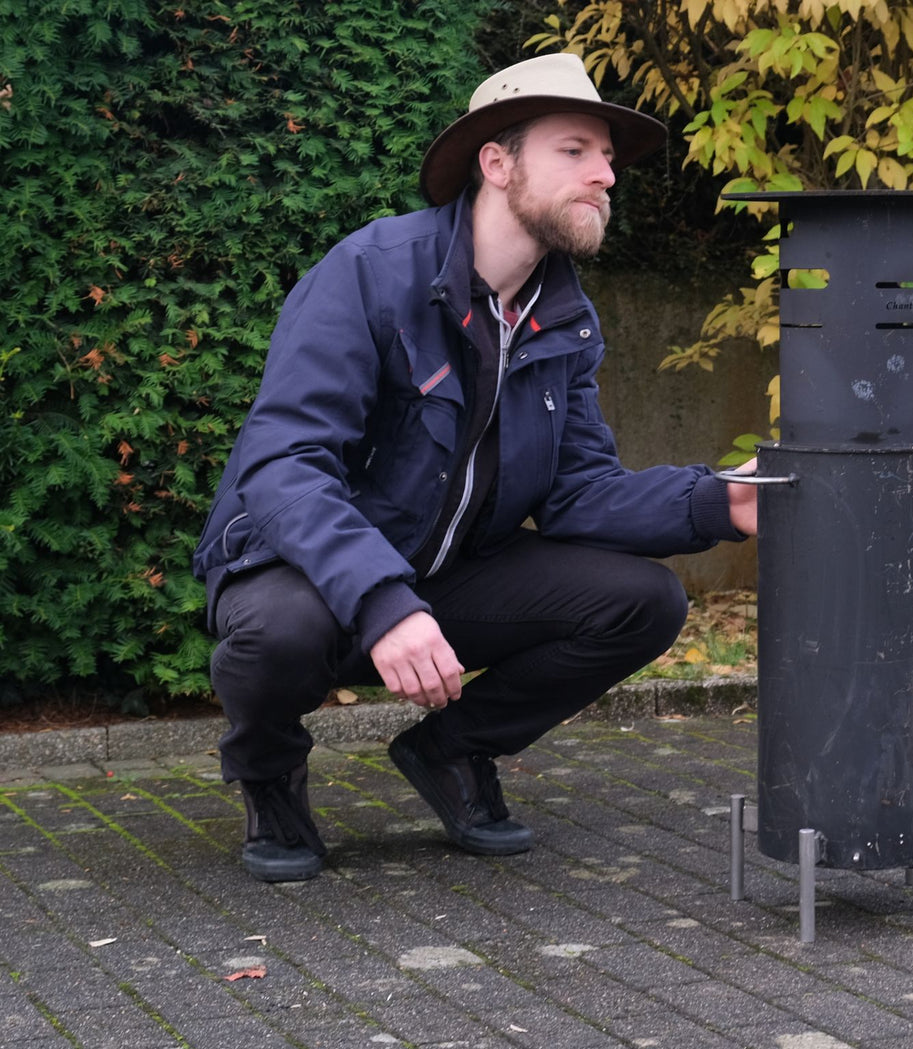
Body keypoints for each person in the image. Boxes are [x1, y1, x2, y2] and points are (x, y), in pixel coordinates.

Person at [192, 53, 757, 883]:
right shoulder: (370, 275)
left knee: (643, 602)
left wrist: (720, 502)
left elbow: (578, 493)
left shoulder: (563, 315)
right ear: (497, 163)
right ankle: (268, 773)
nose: (606, 174)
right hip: (305, 573)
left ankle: (452, 749)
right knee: (279, 631)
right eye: (575, 150)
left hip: (445, 577)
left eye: (607, 157)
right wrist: (384, 601)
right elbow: (284, 466)